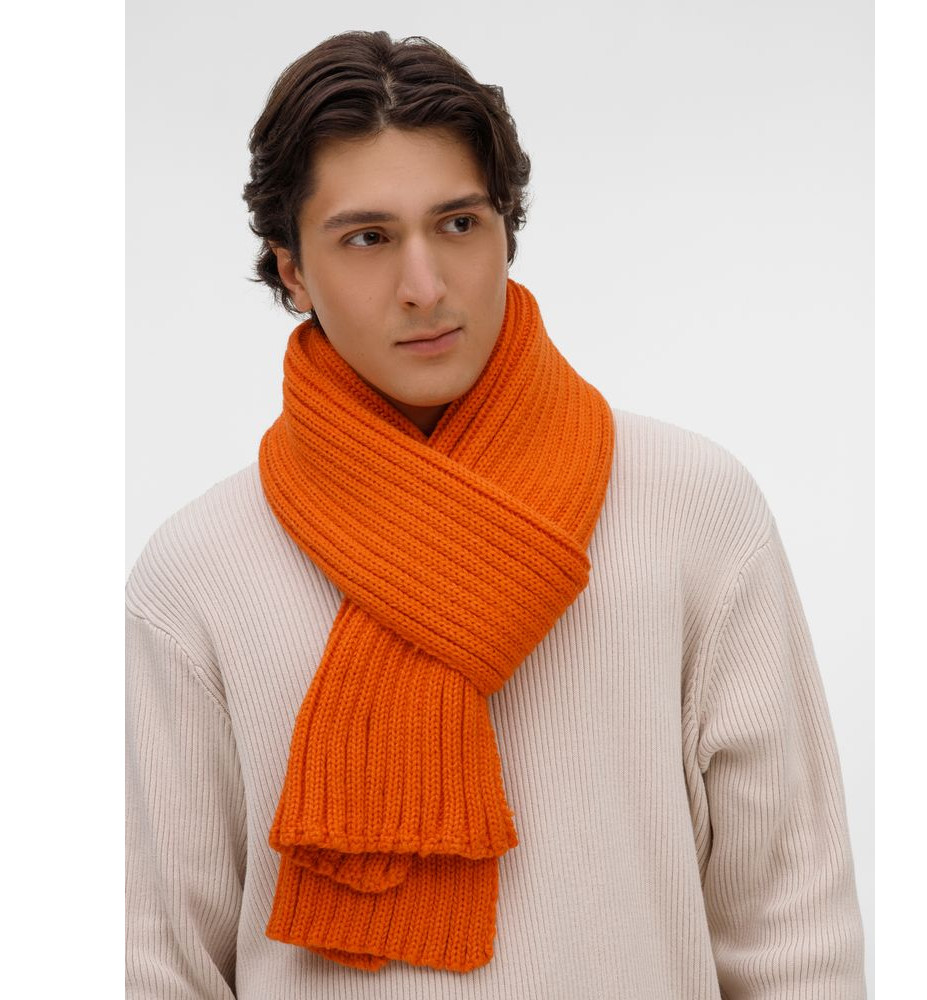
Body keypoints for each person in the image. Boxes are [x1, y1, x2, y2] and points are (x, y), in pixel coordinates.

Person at [125, 29, 867, 999]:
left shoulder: (691, 509)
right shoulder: (198, 575)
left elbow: (792, 923)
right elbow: (155, 959)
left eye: (458, 224)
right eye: (367, 238)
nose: (425, 286)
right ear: (292, 270)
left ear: (506, 232)